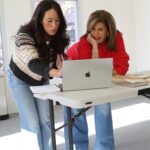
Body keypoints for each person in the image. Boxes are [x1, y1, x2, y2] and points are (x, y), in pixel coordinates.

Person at [7, 0, 69, 150]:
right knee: (32, 124)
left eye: (57, 21)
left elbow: (54, 62)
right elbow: (33, 63)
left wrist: (61, 65)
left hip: (41, 80)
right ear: (39, 19)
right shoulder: (25, 34)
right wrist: (56, 72)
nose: (54, 25)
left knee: (46, 121)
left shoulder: (57, 37)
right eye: (49, 21)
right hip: (20, 79)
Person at [65, 10, 129, 150]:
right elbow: (91, 72)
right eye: (93, 29)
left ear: (108, 31)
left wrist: (104, 71)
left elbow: (122, 67)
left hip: (100, 84)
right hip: (77, 78)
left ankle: (104, 147)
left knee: (103, 107)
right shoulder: (84, 43)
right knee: (76, 109)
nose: (96, 33)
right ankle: (79, 146)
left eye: (100, 29)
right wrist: (94, 47)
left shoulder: (117, 38)